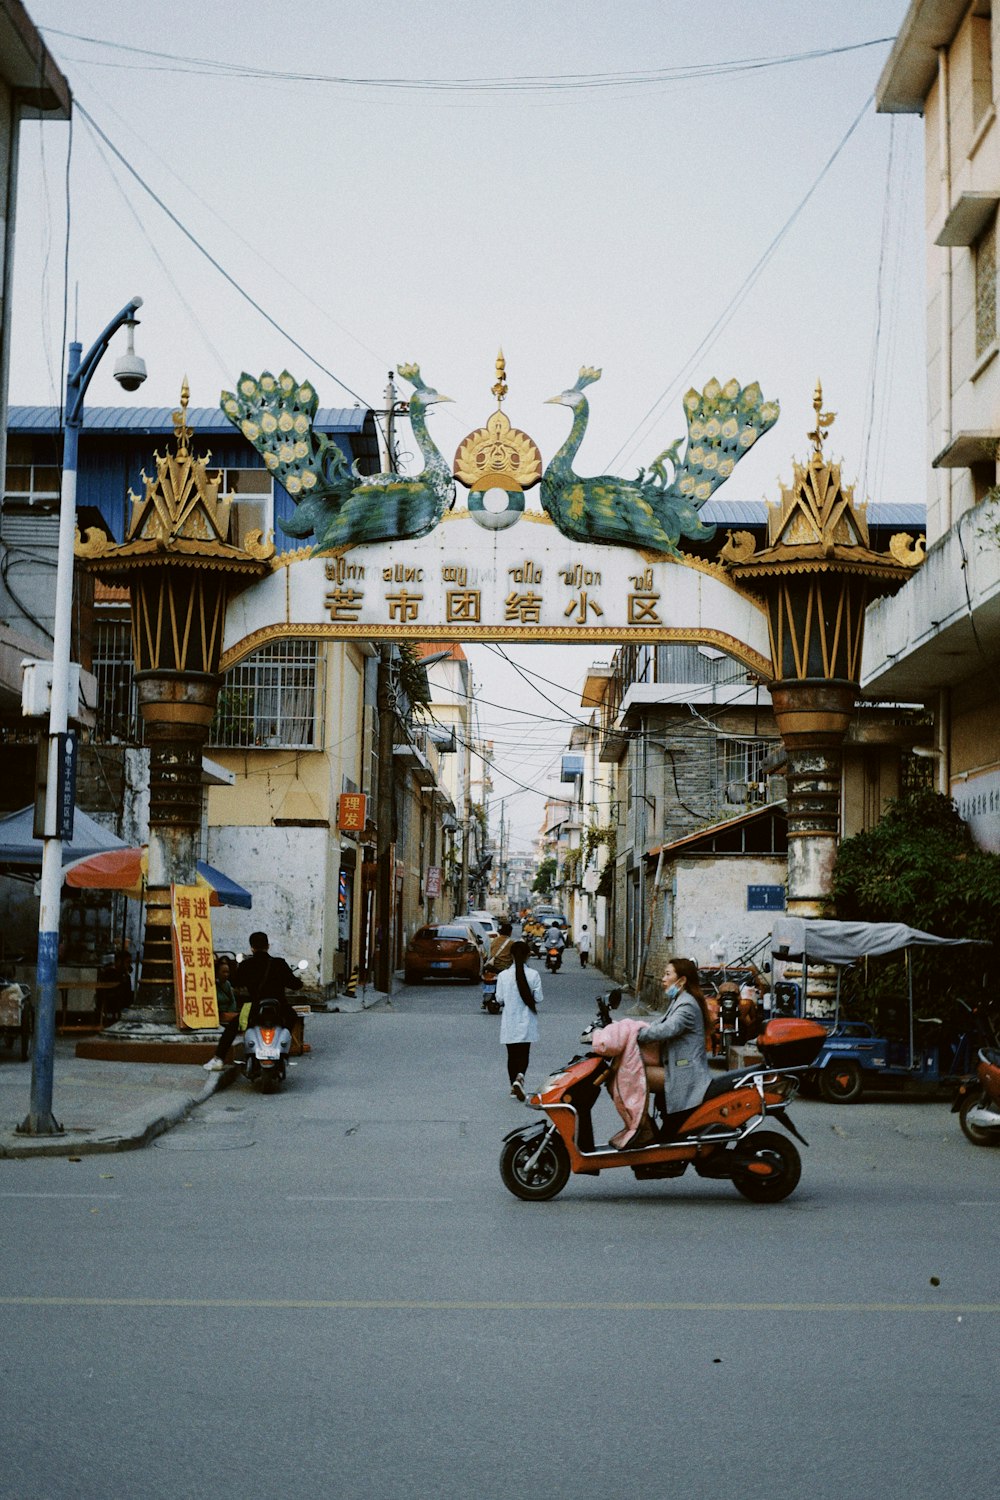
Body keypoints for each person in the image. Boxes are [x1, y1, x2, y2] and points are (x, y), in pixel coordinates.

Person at [635, 957, 712, 1143]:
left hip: (687, 1073)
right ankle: (645, 1127)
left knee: (636, 1075)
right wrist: (627, 1027)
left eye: (667, 974)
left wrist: (635, 1034)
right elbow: (658, 1023)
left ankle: (644, 1128)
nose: (663, 978)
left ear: (682, 980)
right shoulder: (680, 1000)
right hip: (679, 1067)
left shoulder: (686, 1005)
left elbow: (667, 1029)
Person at [204, 932, 303, 1071]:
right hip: (279, 1008)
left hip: (255, 1008)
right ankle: (284, 1051)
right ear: (268, 946)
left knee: (232, 1027)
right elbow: (296, 985)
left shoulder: (246, 965)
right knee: (292, 1016)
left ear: (252, 948)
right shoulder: (279, 963)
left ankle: (218, 1059)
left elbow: (235, 982)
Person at [496, 939, 542, 1100]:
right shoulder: (534, 975)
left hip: (510, 1020)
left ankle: (512, 1086)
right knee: (524, 1052)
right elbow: (539, 998)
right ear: (528, 955)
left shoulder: (503, 976)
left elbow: (500, 999)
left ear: (511, 955)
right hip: (527, 1019)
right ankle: (520, 1076)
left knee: (512, 1054)